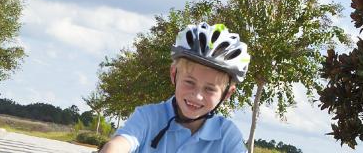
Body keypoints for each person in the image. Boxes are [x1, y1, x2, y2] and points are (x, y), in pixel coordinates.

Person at [99, 22, 250, 153]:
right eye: (190, 82)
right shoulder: (148, 118)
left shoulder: (227, 135)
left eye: (210, 89)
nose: (197, 96)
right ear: (173, 74)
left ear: (227, 94)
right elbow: (120, 144)